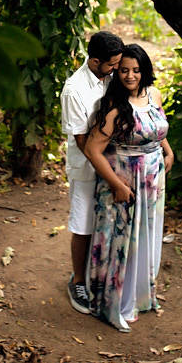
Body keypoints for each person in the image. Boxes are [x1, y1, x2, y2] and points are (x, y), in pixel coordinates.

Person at [84, 44, 173, 332]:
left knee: (145, 236)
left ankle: (139, 296)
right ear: (117, 72)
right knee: (122, 240)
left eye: (136, 70)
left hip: (152, 178)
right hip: (124, 180)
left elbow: (157, 127)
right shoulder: (113, 106)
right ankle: (115, 303)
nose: (130, 75)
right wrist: (115, 185)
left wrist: (168, 151)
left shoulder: (154, 94)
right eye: (124, 70)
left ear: (144, 70)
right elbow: (92, 149)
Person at [60, 30, 125, 314]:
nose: (115, 70)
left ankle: (102, 276)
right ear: (95, 60)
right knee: (83, 225)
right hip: (87, 167)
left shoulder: (111, 78)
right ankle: (77, 281)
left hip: (111, 165)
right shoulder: (74, 90)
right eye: (111, 65)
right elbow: (82, 141)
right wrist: (108, 170)